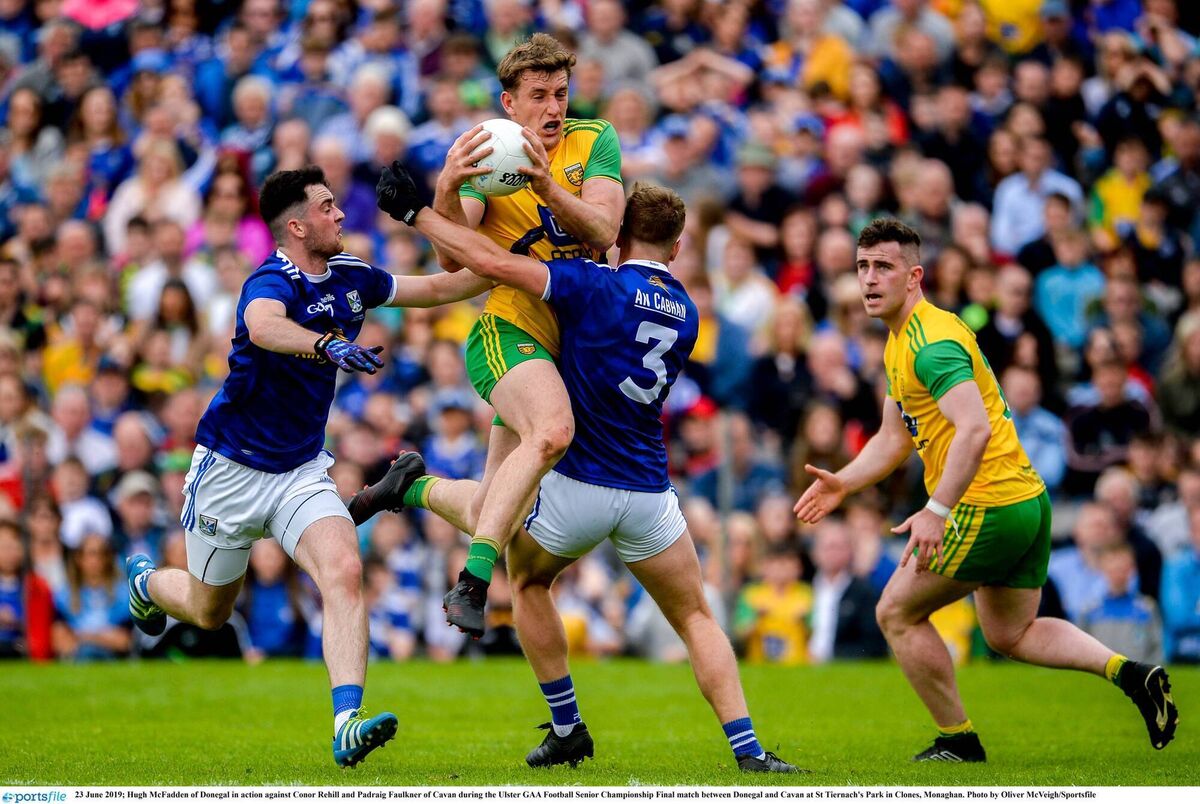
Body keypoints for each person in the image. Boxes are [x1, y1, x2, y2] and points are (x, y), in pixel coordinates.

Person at [373, 167, 798, 773]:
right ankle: (749, 749)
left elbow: (490, 265)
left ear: (616, 233)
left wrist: (420, 214)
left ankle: (567, 726)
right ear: (677, 247)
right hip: (651, 492)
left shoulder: (593, 284)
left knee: (525, 580)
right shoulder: (687, 313)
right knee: (697, 616)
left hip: (579, 486)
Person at [123, 165, 490, 768]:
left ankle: (346, 720)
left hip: (299, 470)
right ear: (296, 226)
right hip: (230, 471)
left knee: (344, 570)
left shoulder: (352, 276)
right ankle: (145, 585)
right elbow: (263, 327)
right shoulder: (269, 280)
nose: (340, 214)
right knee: (210, 611)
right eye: (326, 207)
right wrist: (323, 344)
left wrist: (522, 270)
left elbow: (433, 288)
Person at [793, 218, 1178, 762]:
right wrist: (845, 482)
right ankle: (1130, 673)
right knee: (1009, 634)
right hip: (1026, 502)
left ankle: (959, 740)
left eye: (884, 266)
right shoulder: (904, 340)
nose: (870, 279)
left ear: (914, 276)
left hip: (985, 505)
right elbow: (893, 436)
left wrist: (936, 509)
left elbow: (973, 429)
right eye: (862, 267)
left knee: (895, 613)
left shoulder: (929, 345)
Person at [426, 33, 625, 638]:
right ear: (509, 103)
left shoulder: (594, 141)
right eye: (537, 96)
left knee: (494, 507)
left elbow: (604, 228)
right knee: (554, 431)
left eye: (560, 93)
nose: (553, 108)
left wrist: (545, 187)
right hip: (508, 328)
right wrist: (444, 189)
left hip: (573, 348)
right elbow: (452, 261)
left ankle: (411, 486)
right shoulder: (489, 153)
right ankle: (476, 582)